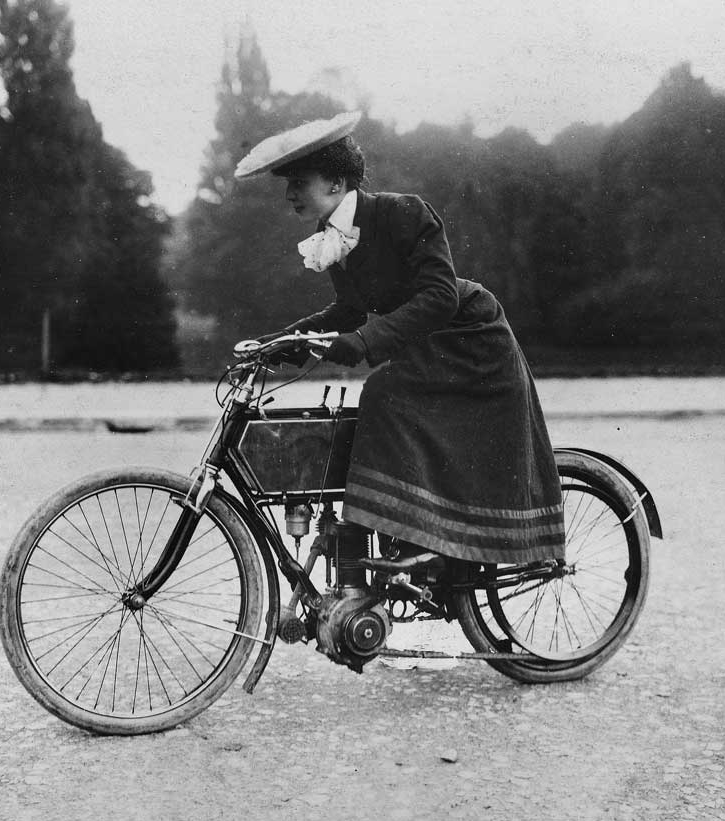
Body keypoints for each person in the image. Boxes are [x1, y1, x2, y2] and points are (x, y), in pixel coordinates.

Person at [234, 110, 565, 580]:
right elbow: (348, 310)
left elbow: (440, 295)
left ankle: (419, 540)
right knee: (379, 401)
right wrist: (283, 341)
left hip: (470, 337)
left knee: (386, 393)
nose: (289, 195)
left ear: (335, 182)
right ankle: (408, 534)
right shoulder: (332, 239)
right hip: (428, 343)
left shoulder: (403, 212)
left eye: (298, 182)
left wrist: (365, 341)